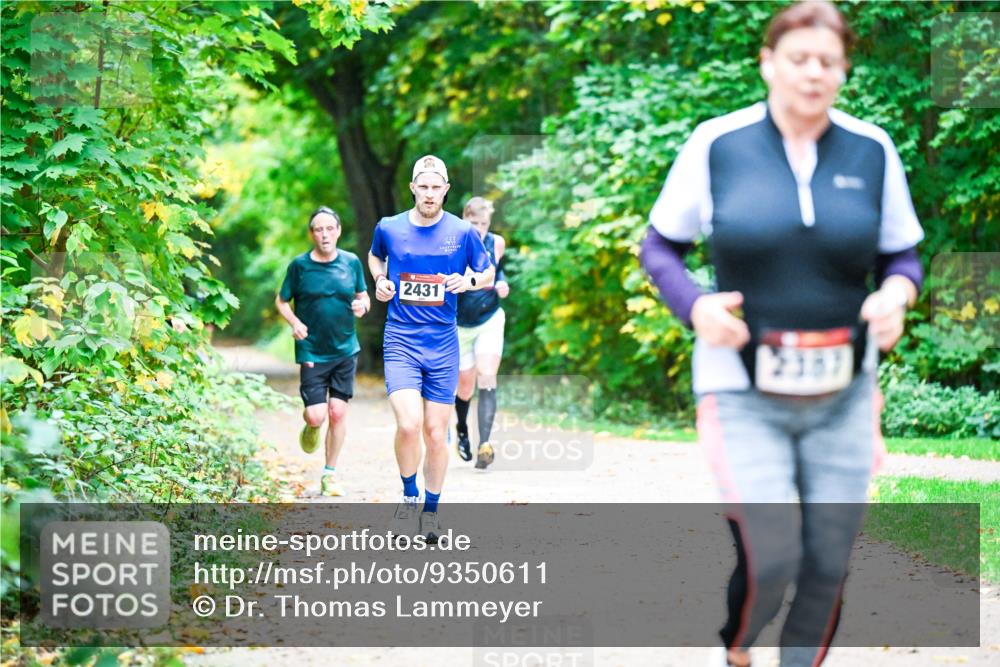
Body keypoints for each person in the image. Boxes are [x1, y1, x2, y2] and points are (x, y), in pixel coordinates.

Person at [639, 2, 923, 666]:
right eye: (799, 59)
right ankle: (735, 650)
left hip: (845, 390)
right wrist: (696, 306)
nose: (814, 73)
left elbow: (903, 255)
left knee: (827, 562)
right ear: (768, 63)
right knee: (772, 552)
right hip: (741, 385)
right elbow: (659, 247)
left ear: (844, 70)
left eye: (829, 61)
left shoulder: (872, 149)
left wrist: (897, 294)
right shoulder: (718, 144)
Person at [368, 155, 494, 542]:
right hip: (401, 340)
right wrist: (379, 280)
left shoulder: (462, 231)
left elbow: (487, 272)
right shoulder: (389, 227)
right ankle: (409, 496)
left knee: (436, 434)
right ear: (412, 188)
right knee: (408, 424)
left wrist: (468, 280)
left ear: (446, 190)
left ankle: (431, 511)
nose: (429, 193)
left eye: (435, 187)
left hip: (442, 344)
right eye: (422, 186)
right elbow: (376, 256)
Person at [276, 206, 370, 497]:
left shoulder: (351, 262)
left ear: (339, 231)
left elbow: (363, 296)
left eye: (330, 228)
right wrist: (294, 321)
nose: (325, 234)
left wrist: (363, 306)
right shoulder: (299, 266)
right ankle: (312, 427)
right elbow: (281, 301)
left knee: (338, 412)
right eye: (319, 229)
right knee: (316, 416)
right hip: (312, 350)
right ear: (312, 234)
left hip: (344, 348)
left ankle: (329, 473)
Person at [454, 196, 510, 469]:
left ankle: (484, 445)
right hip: (459, 323)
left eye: (483, 223)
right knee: (465, 385)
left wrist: (502, 283)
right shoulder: (452, 243)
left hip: (489, 317)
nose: (479, 229)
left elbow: (499, 273)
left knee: (487, 376)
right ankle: (462, 428)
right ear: (464, 220)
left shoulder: (496, 243)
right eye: (473, 223)